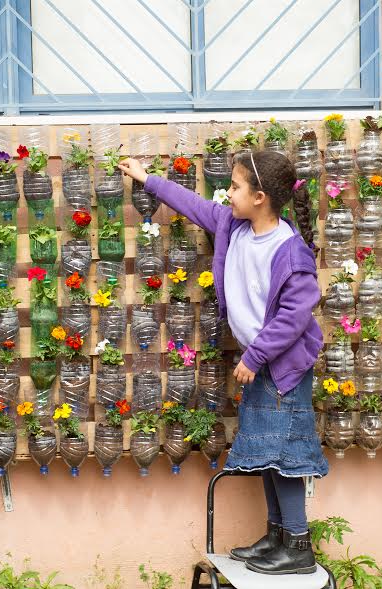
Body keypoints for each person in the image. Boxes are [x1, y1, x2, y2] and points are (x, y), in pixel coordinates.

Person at [119, 150, 328, 575]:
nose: (227, 194)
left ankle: (299, 547)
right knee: (269, 455)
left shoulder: (290, 252)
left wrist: (254, 355)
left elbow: (295, 316)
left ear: (260, 197)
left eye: (235, 187)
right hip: (262, 367)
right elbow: (195, 206)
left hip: (281, 370)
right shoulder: (234, 227)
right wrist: (148, 180)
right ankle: (278, 538)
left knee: (284, 458)